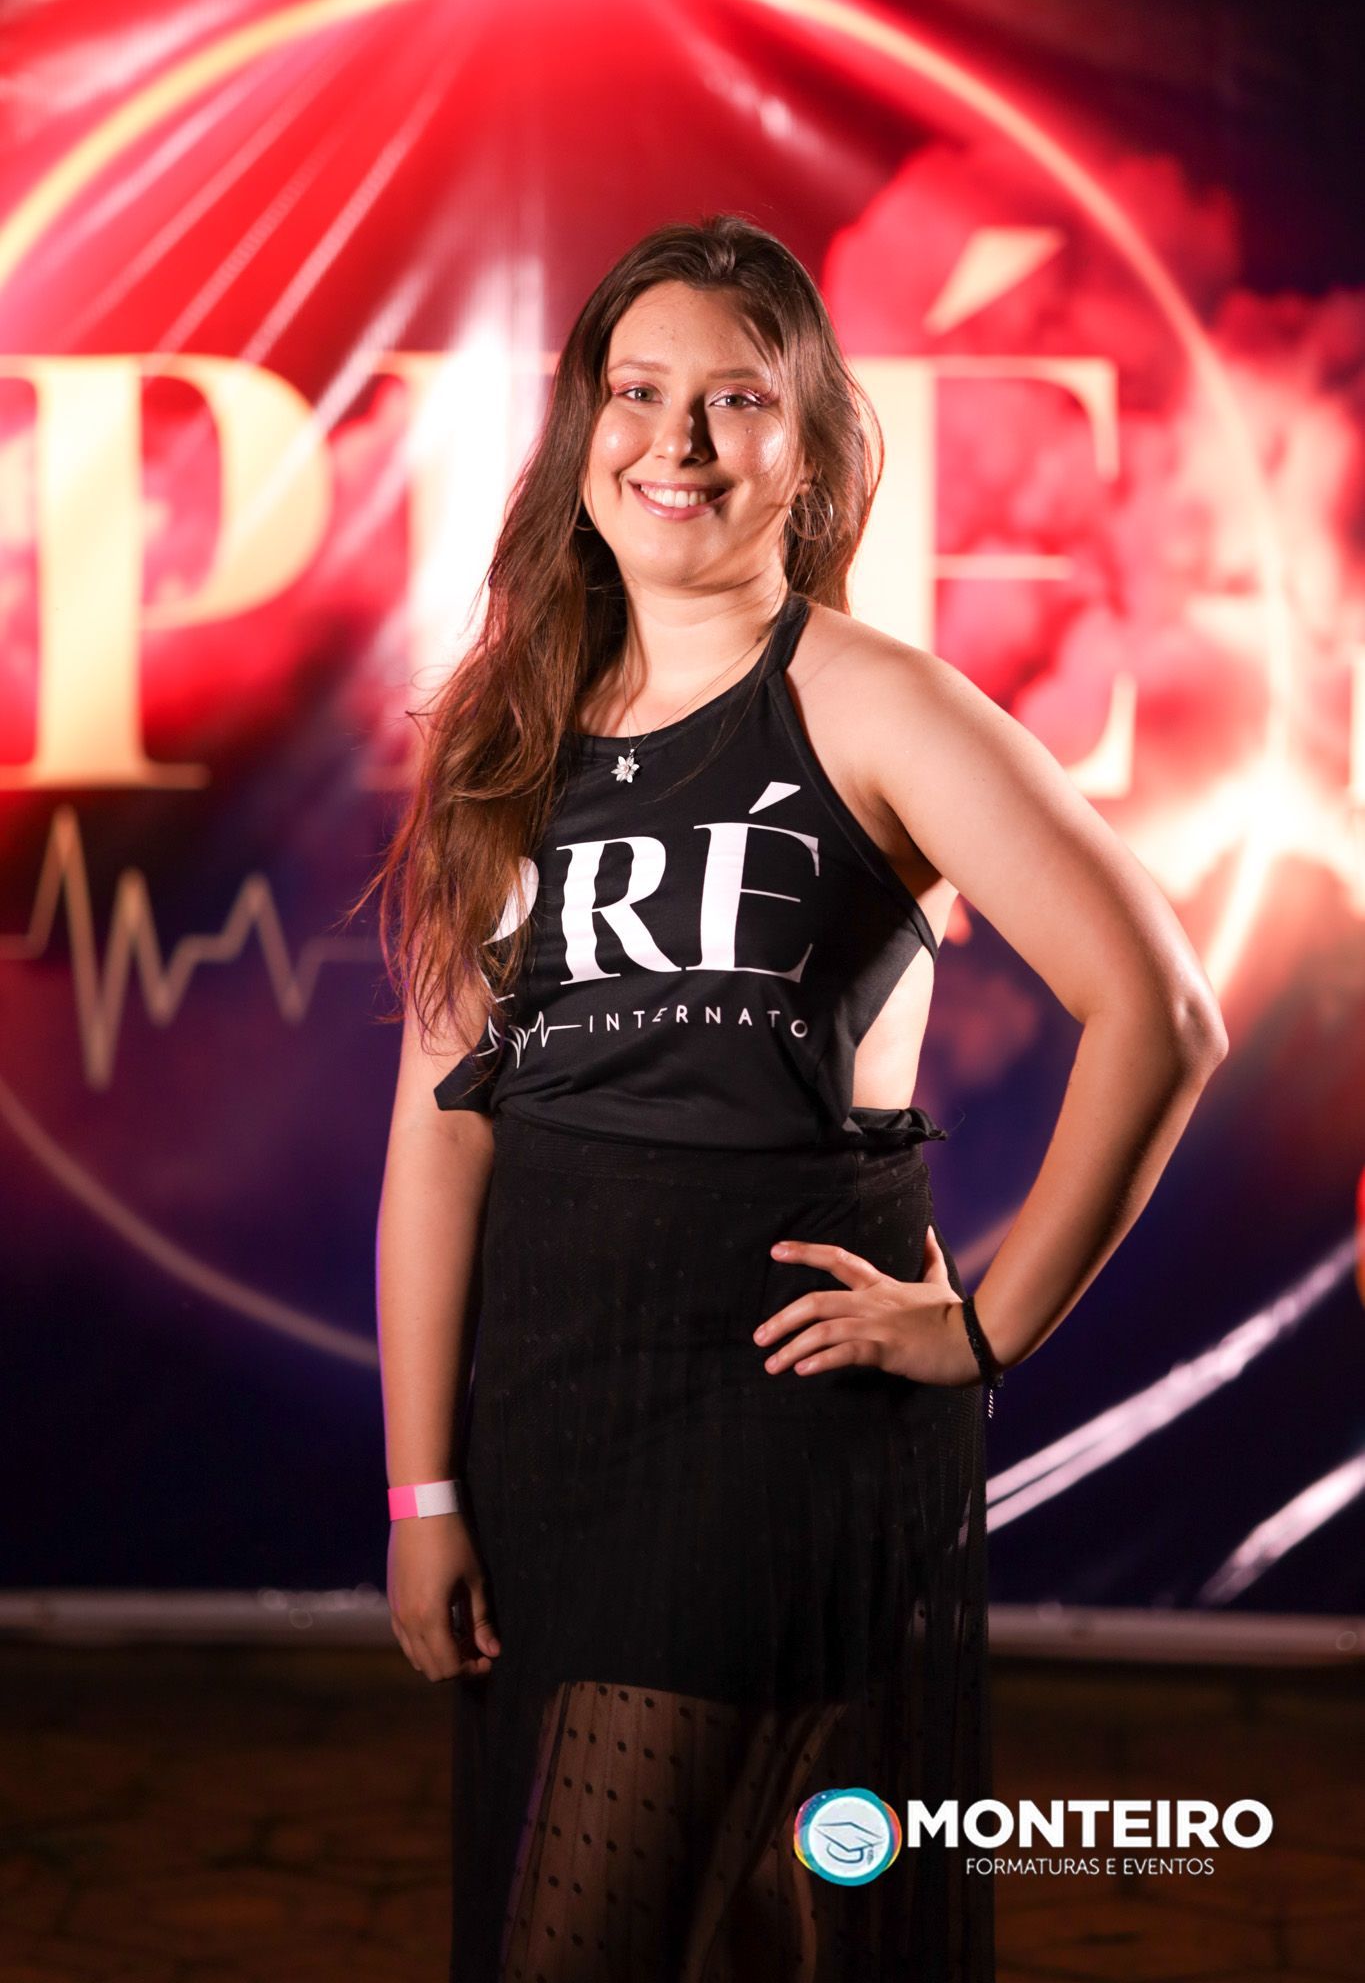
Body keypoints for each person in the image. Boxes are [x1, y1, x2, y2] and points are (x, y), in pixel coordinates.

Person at [364, 214, 1229, 1981]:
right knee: (745, 1933)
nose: (674, 442)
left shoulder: (873, 704)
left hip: (770, 1427)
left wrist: (983, 1330)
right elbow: (442, 1137)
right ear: (581, 430)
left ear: (813, 451)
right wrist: (421, 1493)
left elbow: (1157, 1014)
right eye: (637, 392)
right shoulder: (500, 740)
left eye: (736, 400)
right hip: (554, 1420)